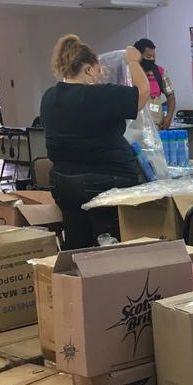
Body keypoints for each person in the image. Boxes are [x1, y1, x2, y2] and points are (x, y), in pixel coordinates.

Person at [40, 34, 150, 250]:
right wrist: (133, 61)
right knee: (110, 246)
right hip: (106, 182)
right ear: (88, 69)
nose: (99, 76)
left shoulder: (49, 97)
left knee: (77, 245)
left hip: (63, 183)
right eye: (97, 71)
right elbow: (143, 92)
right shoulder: (99, 95)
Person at [133, 38, 176, 129]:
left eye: (154, 56)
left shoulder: (159, 72)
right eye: (148, 57)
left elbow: (171, 96)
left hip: (155, 126)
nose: (152, 59)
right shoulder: (128, 73)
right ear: (138, 56)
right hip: (134, 128)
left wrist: (168, 117)